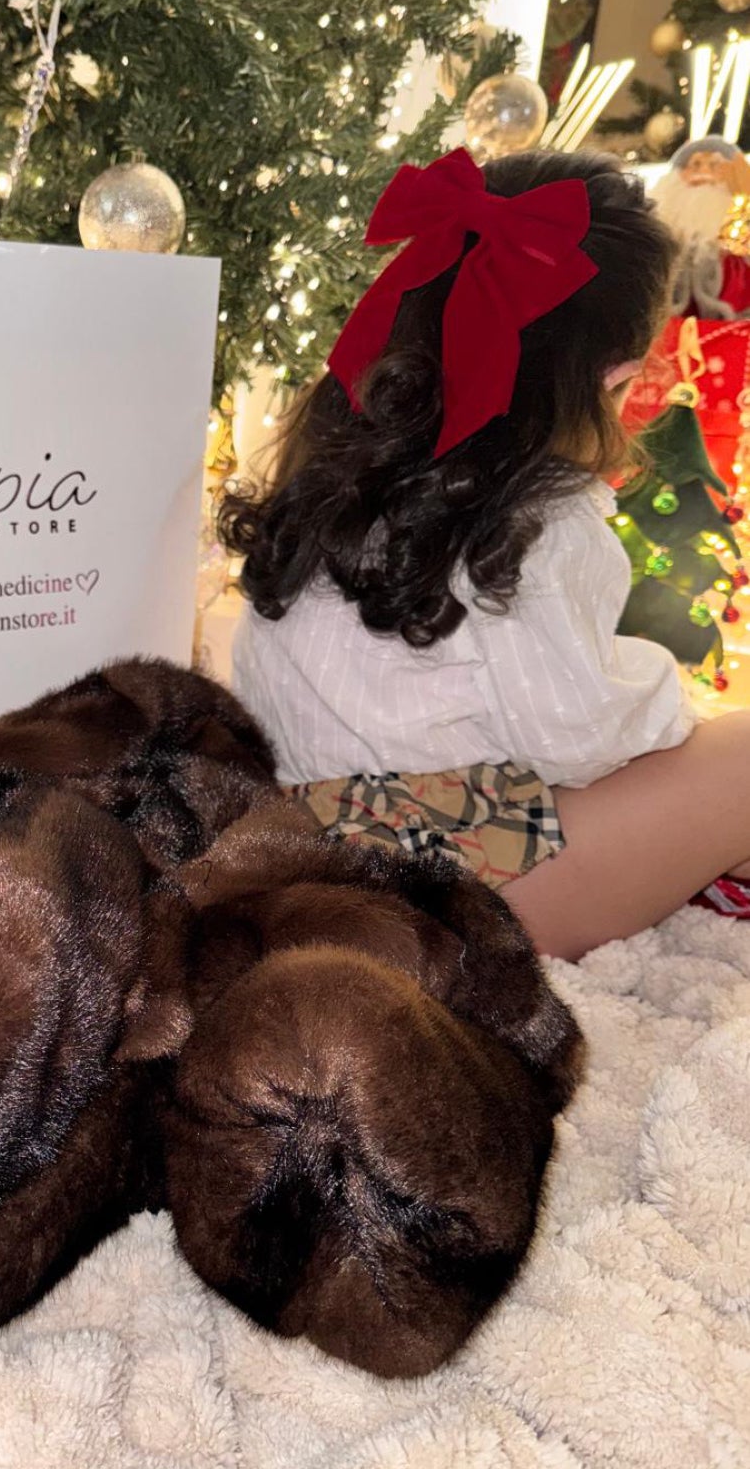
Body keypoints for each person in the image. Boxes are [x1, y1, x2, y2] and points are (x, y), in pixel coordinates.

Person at [221, 145, 750, 964]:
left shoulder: (332, 462)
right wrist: (670, 704)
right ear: (612, 378)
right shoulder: (539, 516)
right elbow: (582, 737)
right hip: (428, 890)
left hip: (304, 833)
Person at [649, 135, 750, 319]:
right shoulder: (658, 234)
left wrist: (741, 204)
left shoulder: (739, 225)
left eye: (715, 165)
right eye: (695, 164)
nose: (704, 172)